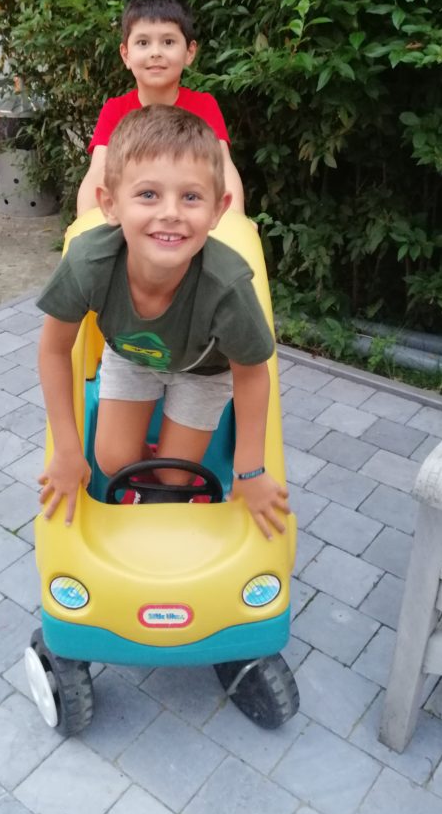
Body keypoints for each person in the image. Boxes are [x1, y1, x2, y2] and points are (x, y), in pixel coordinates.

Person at [37, 105, 289, 539]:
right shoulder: (89, 262)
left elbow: (251, 374)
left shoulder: (226, 286)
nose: (171, 212)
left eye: (191, 197)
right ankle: (141, 475)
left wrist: (250, 471)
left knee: (176, 475)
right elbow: (55, 350)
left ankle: (168, 483)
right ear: (110, 203)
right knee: (111, 459)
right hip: (132, 356)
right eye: (148, 195)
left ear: (218, 209)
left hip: (203, 369)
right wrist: (66, 449)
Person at [76, 0, 245, 215]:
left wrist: (235, 220)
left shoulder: (204, 106)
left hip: (188, 217)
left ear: (189, 52)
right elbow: (98, 172)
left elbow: (223, 168)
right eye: (143, 42)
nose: (155, 52)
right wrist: (84, 224)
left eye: (168, 42)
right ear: (126, 54)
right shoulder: (115, 110)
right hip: (134, 220)